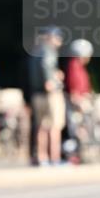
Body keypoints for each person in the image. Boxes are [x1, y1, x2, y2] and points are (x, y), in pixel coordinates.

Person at [28, 26, 66, 165]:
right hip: (50, 94)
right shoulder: (48, 50)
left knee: (41, 127)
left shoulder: (35, 51)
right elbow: (46, 65)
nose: (59, 40)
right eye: (57, 37)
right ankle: (54, 158)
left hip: (36, 93)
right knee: (54, 126)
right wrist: (50, 79)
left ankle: (42, 157)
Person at [64, 38, 94, 162]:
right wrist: (79, 101)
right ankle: (77, 155)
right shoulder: (74, 65)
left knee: (81, 128)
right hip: (78, 103)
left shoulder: (77, 66)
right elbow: (74, 88)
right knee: (77, 129)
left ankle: (81, 154)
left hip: (81, 101)